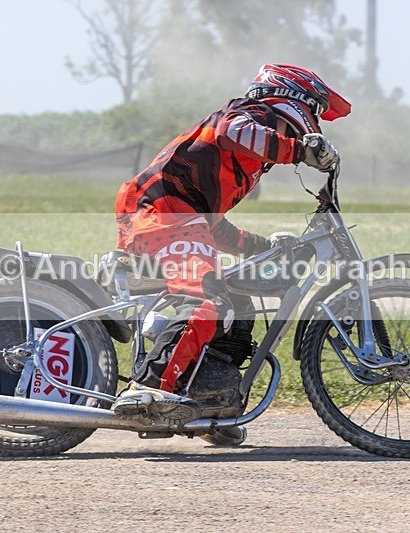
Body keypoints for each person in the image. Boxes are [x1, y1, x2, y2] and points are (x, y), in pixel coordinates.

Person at [112, 64, 351, 423]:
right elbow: (234, 132)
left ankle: (210, 405)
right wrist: (299, 151)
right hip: (161, 210)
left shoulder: (245, 162)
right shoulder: (248, 114)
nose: (314, 122)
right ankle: (147, 391)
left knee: (237, 301)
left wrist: (260, 246)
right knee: (208, 301)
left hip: (175, 213)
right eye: (315, 110)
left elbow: (211, 225)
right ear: (293, 100)